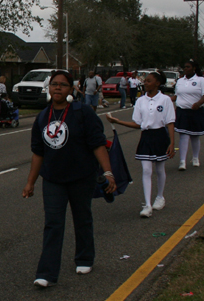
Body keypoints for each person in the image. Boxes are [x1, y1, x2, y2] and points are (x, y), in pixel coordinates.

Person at [22, 70, 116, 287]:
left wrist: (108, 172)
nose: (57, 88)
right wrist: (30, 182)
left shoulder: (82, 112)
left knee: (82, 218)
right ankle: (46, 273)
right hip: (53, 178)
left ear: (70, 89)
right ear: (49, 87)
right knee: (53, 224)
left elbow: (97, 144)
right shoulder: (42, 117)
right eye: (54, 84)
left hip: (81, 176)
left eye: (63, 85)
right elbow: (38, 153)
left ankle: (84, 258)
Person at [107, 71, 175, 218]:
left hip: (160, 136)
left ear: (157, 83)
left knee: (160, 168)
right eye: (145, 80)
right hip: (146, 137)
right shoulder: (140, 101)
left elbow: (170, 122)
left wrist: (172, 143)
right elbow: (138, 123)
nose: (145, 83)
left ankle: (160, 197)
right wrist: (117, 121)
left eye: (149, 81)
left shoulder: (165, 100)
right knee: (146, 170)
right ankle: (147, 205)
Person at [172, 60, 204, 171]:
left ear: (194, 68)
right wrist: (166, 99)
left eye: (188, 67)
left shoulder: (200, 80)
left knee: (194, 135)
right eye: (184, 67)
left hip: (195, 111)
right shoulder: (180, 81)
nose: (185, 69)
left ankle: (195, 158)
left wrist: (198, 103)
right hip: (182, 111)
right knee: (183, 135)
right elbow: (176, 96)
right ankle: (182, 161)